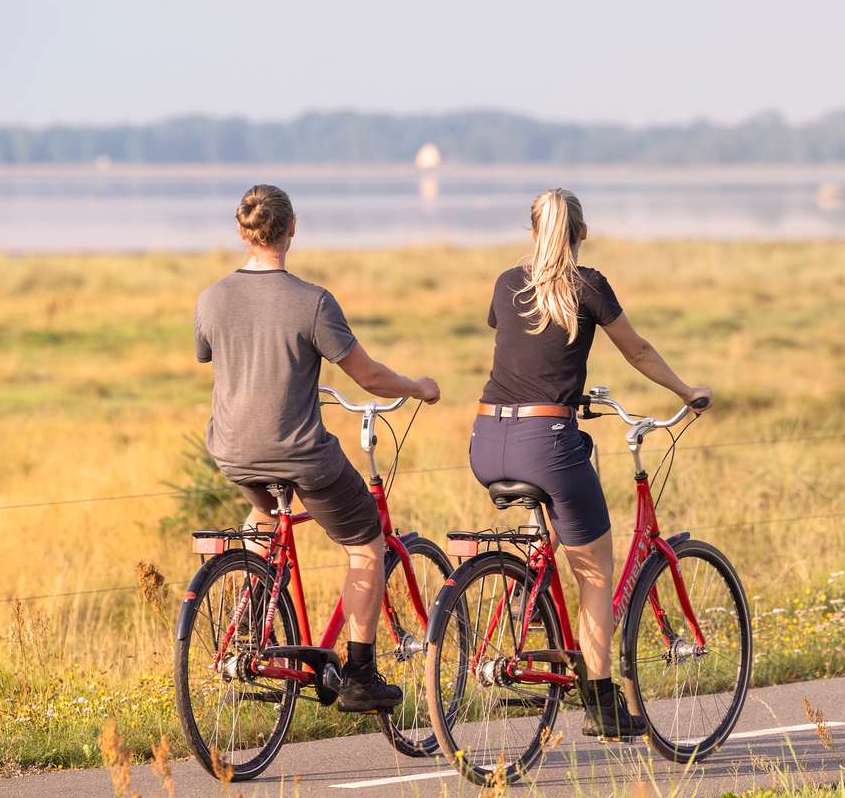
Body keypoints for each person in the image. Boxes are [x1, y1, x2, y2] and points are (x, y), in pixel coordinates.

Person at [470, 188, 711, 739]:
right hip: (548, 440)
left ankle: (532, 598)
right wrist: (685, 390)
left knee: (555, 534)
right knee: (595, 572)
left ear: (532, 232)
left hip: (486, 438)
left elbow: (520, 346)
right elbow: (639, 351)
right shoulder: (589, 285)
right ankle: (601, 705)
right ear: (581, 234)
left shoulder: (508, 282)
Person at [194, 184, 440, 712]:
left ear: (241, 231)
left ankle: (251, 627)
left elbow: (217, 355)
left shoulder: (210, 298)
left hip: (234, 453)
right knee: (365, 543)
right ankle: (358, 672)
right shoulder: (313, 302)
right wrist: (418, 386)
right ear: (293, 227)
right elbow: (370, 376)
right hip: (301, 453)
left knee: (265, 517)